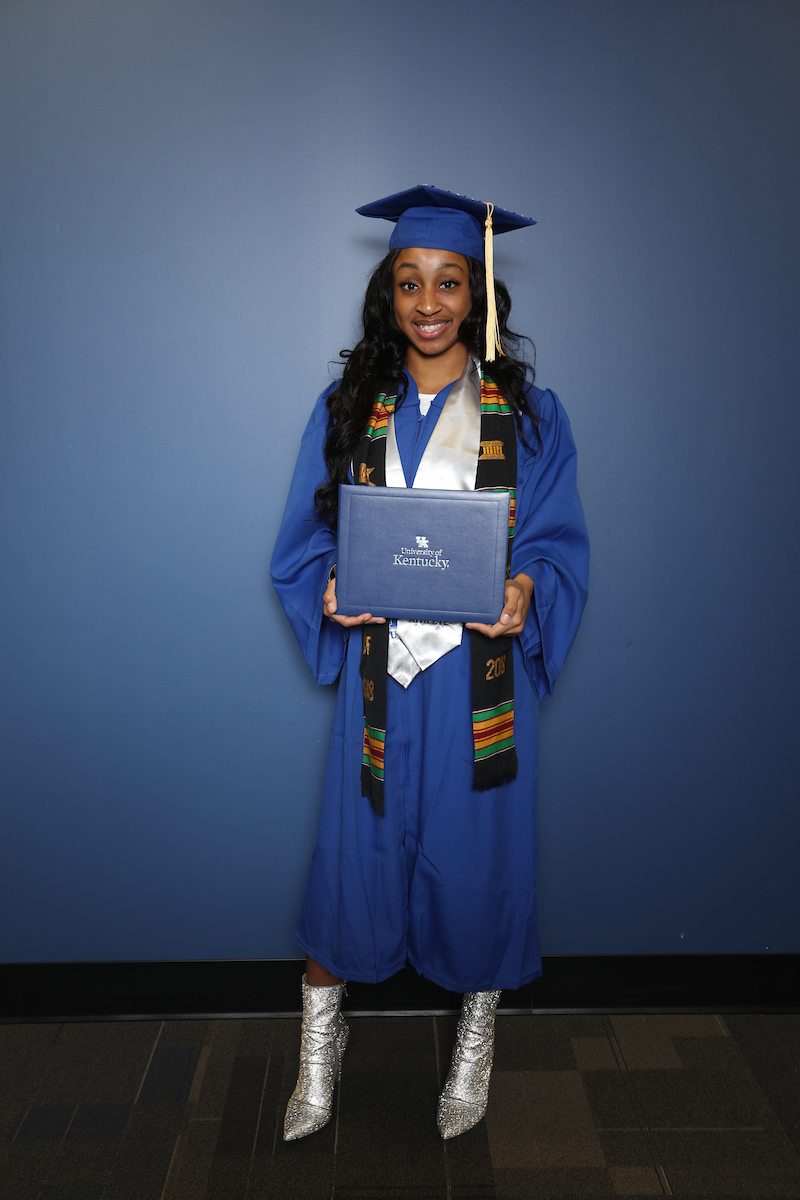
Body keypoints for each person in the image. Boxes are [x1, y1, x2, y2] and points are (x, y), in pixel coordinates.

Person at [271, 185, 589, 1142]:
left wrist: (529, 589)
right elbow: (303, 540)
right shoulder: (348, 407)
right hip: (379, 686)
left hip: (473, 686)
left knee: (479, 867)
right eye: (409, 281)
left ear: (478, 295)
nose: (429, 301)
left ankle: (475, 1044)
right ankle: (317, 1063)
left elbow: (557, 542)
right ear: (388, 294)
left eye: (450, 281)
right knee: (347, 872)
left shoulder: (530, 418)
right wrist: (328, 587)